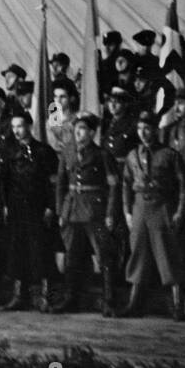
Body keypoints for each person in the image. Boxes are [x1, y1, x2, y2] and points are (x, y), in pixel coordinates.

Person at [116, 110, 185, 320]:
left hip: (162, 206)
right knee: (138, 252)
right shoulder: (132, 155)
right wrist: (127, 211)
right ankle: (134, 303)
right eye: (139, 129)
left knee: (167, 253)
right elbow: (126, 185)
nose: (143, 133)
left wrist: (179, 212)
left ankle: (178, 306)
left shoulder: (170, 155)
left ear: (156, 130)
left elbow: (183, 185)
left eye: (147, 128)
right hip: (139, 207)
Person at [0, 112, 58, 311]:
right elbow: (3, 182)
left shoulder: (44, 151)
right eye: (14, 127)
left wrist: (50, 207)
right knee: (17, 250)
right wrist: (4, 205)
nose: (17, 131)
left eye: (20, 126)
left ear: (29, 126)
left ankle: (44, 296)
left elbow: (53, 184)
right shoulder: (10, 152)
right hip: (16, 208)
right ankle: (19, 295)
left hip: (38, 208)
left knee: (41, 250)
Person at [54, 112, 119, 315]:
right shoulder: (68, 152)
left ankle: (109, 301)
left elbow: (113, 187)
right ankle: (70, 298)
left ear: (92, 132)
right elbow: (61, 183)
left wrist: (110, 214)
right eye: (76, 129)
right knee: (72, 257)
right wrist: (61, 211)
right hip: (72, 209)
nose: (77, 133)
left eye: (82, 129)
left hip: (94, 210)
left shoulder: (102, 155)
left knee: (104, 256)